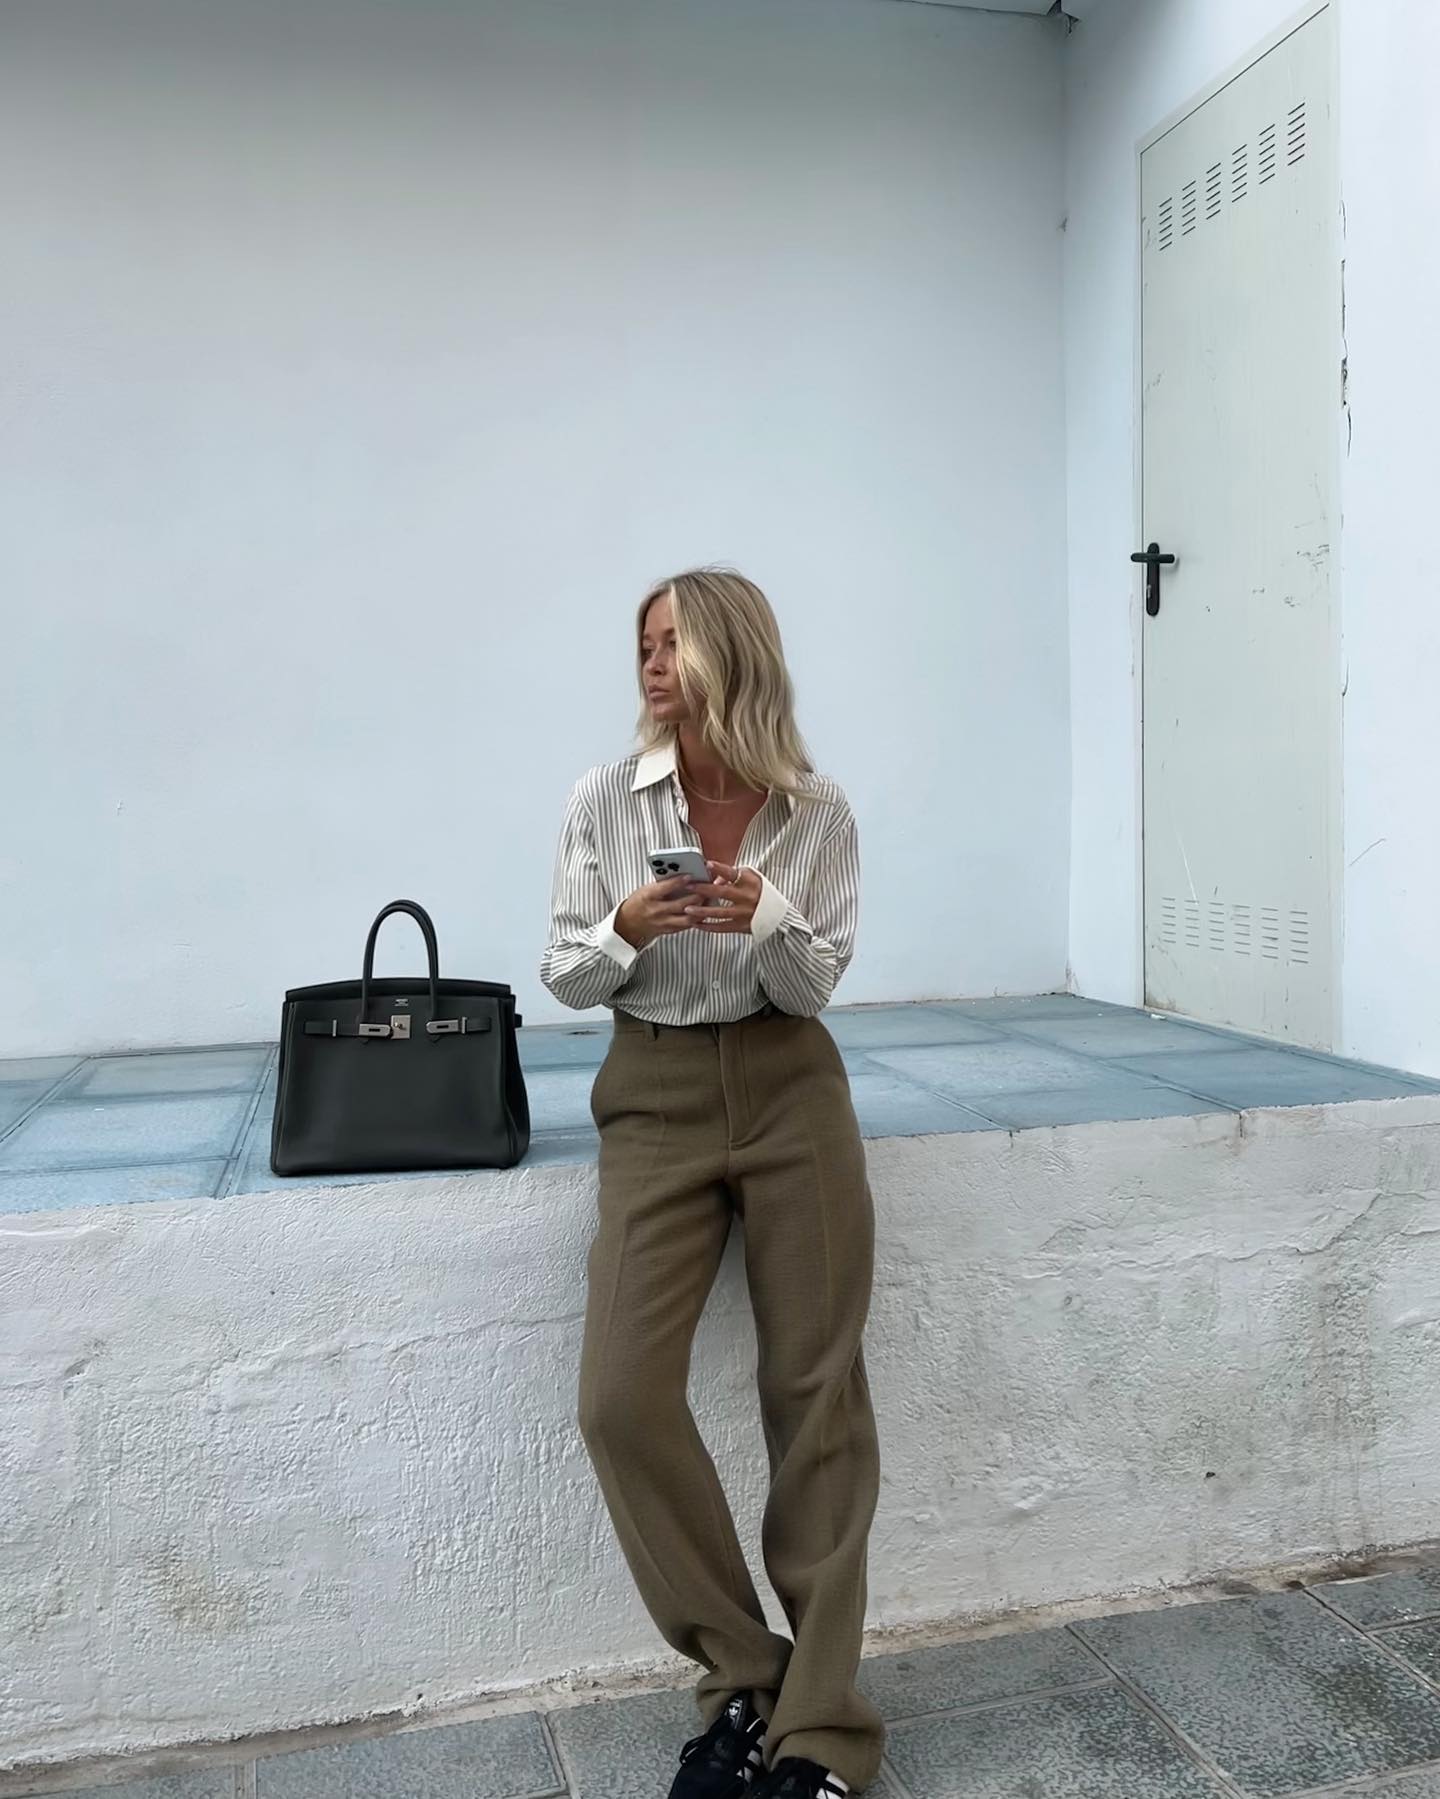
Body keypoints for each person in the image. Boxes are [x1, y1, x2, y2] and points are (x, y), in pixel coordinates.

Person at [540, 568, 885, 1798]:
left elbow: (814, 984)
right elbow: (564, 973)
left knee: (816, 1398)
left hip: (793, 1088)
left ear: (731, 653)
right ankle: (745, 1671)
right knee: (618, 1397)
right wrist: (630, 926)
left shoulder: (817, 810)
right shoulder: (603, 796)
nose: (650, 663)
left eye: (673, 641)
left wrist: (764, 916)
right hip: (655, 1093)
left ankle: (823, 1729)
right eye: (642, 643)